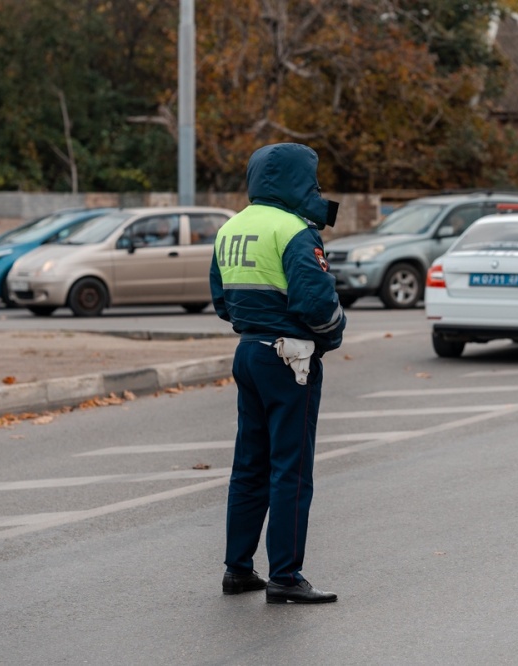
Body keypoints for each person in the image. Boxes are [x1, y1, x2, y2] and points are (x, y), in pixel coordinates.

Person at [210, 142, 345, 604]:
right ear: (295, 180)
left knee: (249, 465)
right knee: (291, 468)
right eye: (313, 179)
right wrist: (332, 335)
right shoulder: (294, 231)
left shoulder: (232, 227)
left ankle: (238, 569)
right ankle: (285, 577)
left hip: (248, 351)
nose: (318, 189)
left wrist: (255, 325)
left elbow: (222, 300)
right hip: (290, 359)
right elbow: (318, 305)